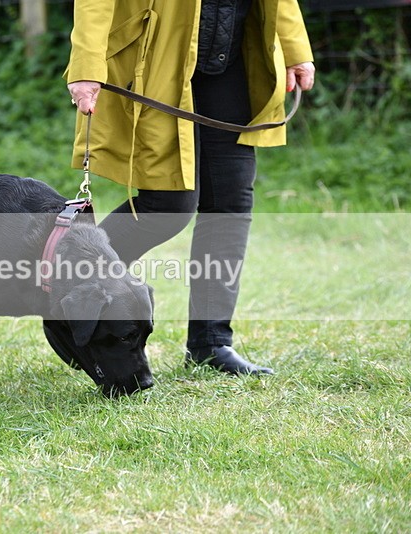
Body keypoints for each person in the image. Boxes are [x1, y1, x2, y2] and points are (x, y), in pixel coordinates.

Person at [65, 0, 315, 374]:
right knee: (168, 206)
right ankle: (70, 290)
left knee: (231, 199)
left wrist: (295, 48)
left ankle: (211, 344)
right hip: (158, 53)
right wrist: (86, 65)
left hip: (232, 54)